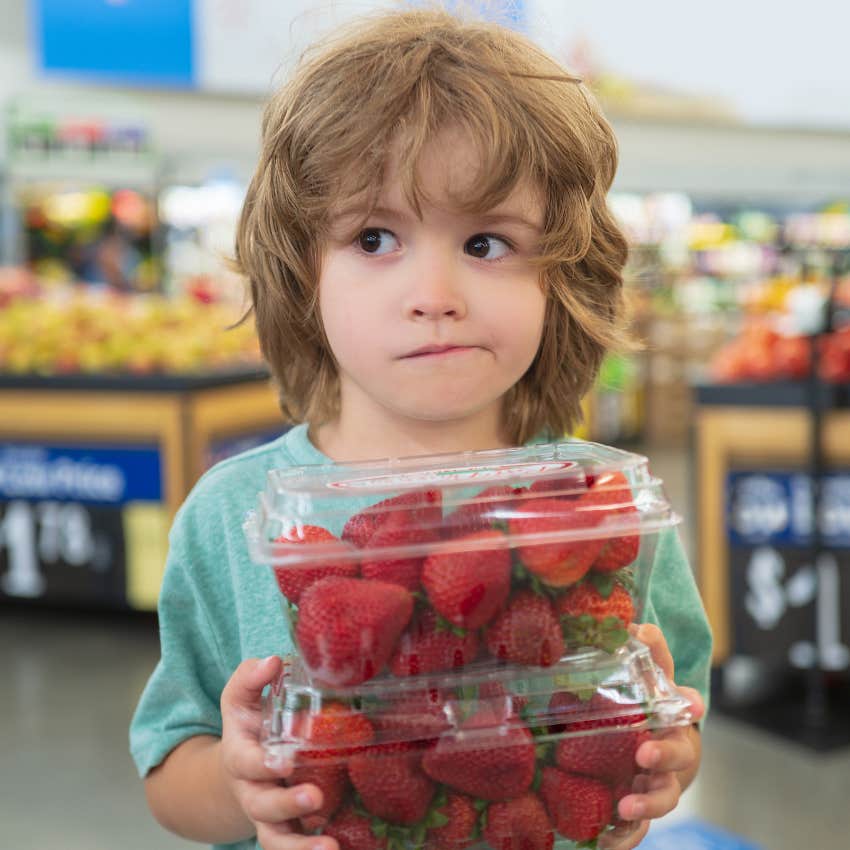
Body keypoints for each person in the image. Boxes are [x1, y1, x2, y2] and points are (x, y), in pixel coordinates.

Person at [130, 8, 712, 850]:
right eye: (374, 237)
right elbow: (168, 772)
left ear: (565, 277)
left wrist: (659, 767)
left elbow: (677, 718)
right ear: (301, 273)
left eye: (487, 241)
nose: (433, 291)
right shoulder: (231, 515)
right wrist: (239, 781)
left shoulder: (600, 513)